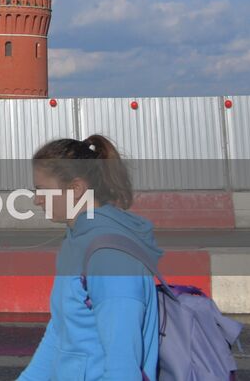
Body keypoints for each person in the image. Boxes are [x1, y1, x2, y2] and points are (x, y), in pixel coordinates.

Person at [18, 134, 161, 381]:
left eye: (42, 190)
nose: (36, 199)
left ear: (75, 189)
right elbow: (60, 333)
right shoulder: (75, 242)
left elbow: (123, 368)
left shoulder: (111, 257)